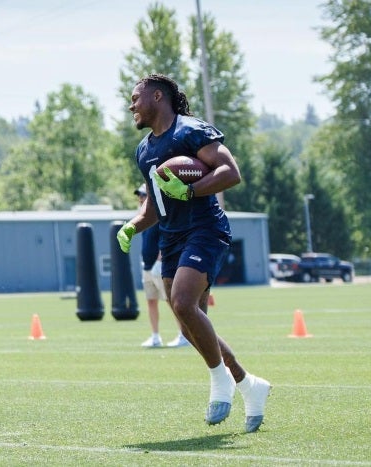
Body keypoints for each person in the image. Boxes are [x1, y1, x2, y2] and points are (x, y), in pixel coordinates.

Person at [117, 73, 271, 432]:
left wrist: (190, 191)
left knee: (184, 304)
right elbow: (153, 209)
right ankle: (249, 385)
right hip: (171, 237)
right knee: (189, 328)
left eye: (135, 98)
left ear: (158, 97)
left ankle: (220, 383)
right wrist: (131, 225)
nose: (131, 106)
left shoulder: (191, 131)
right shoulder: (144, 150)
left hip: (205, 229)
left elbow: (230, 172)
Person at [134, 183, 189, 348]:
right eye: (140, 195)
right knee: (151, 300)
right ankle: (155, 336)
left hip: (160, 265)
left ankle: (183, 335)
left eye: (144, 195)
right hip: (147, 265)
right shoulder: (142, 215)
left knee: (170, 302)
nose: (141, 198)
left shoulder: (160, 214)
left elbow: (167, 238)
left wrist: (160, 259)